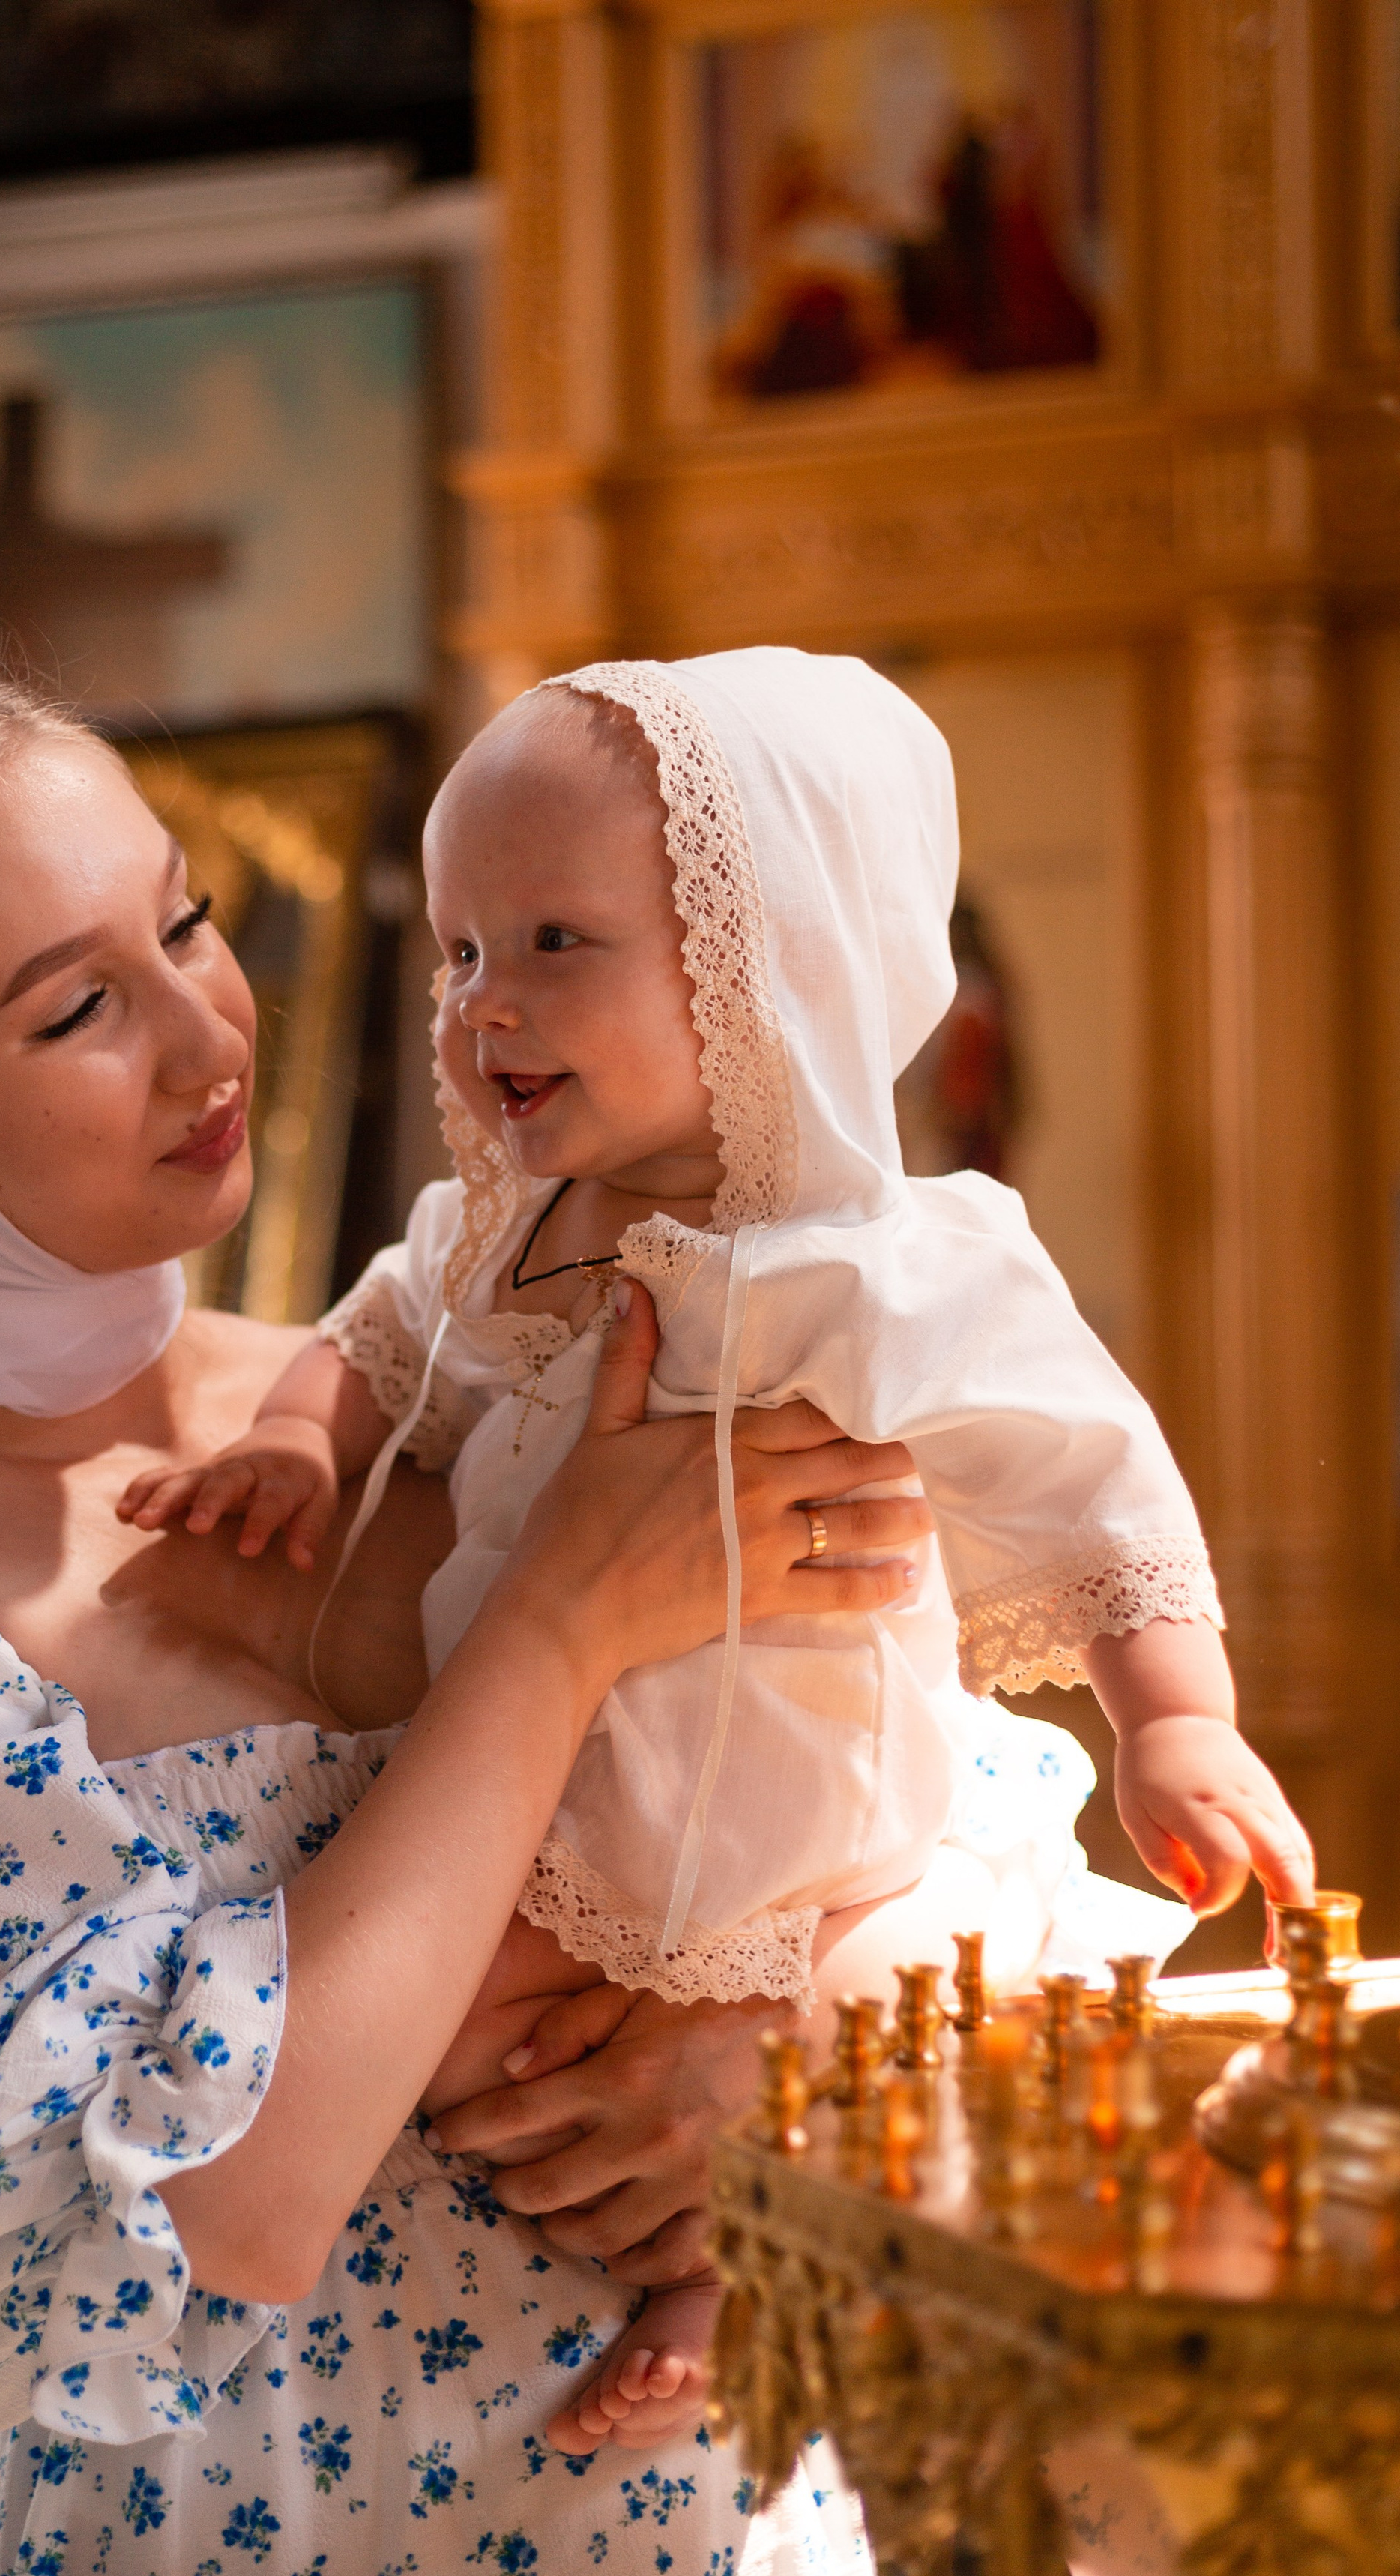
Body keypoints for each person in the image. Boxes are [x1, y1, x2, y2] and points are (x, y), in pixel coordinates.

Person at [0, 664, 944, 2576]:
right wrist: (557, 1625)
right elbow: (233, 2203)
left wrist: (788, 2059)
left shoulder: (443, 1388)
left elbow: (915, 1772)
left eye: (187, 921)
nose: (212, 1030)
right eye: (76, 1004)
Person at [123, 649, 1313, 2464]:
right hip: (557, 1820)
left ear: (772, 967)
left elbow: (1095, 1475)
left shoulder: (898, 1264)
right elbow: (368, 1343)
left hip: (823, 1843)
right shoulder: (494, 1239)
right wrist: (297, 1436)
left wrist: (1177, 1721)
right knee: (439, 2044)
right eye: (455, 952)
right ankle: (666, 2262)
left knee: (865, 2043)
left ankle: (744, 2293)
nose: (477, 1006)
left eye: (548, 944)